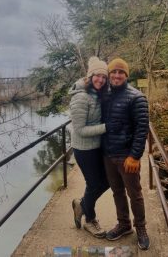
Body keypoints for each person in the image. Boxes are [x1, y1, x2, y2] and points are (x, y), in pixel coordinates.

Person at [69, 56, 121, 238]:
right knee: (94, 184)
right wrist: (107, 127)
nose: (100, 80)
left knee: (106, 180)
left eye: (103, 77)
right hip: (84, 149)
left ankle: (81, 204)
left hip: (96, 146)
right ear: (90, 76)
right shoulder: (81, 97)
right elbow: (80, 129)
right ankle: (90, 220)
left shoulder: (97, 93)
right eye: (97, 76)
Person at [102, 57, 150, 250]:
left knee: (135, 194)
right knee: (117, 192)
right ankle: (124, 224)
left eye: (121, 72)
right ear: (109, 74)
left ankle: (141, 228)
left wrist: (135, 156)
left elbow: (142, 128)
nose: (116, 75)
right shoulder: (105, 95)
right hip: (108, 154)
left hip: (127, 156)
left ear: (126, 75)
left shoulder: (136, 97)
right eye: (113, 72)